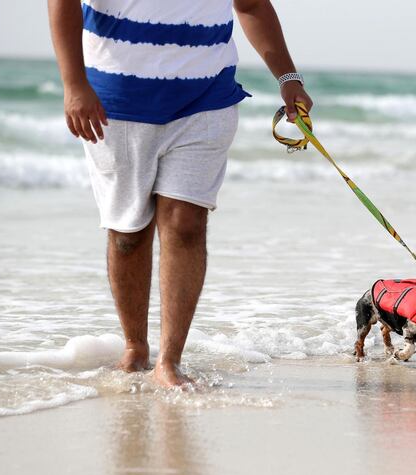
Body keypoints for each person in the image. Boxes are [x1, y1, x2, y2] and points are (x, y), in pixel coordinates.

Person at [48, 0, 313, 386]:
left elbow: (252, 5)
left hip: (206, 99)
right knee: (127, 235)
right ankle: (135, 347)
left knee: (186, 223)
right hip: (116, 102)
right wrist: (74, 84)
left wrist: (288, 78)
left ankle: (169, 362)